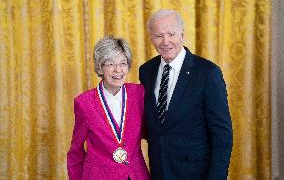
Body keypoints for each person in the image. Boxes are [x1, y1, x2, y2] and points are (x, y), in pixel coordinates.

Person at [139, 9, 233, 180]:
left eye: (171, 34)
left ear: (182, 34)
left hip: (196, 173)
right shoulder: (146, 71)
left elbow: (222, 134)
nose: (165, 41)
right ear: (151, 38)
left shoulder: (207, 73)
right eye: (158, 35)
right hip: (159, 171)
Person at [67, 36, 150, 180]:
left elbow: (151, 133)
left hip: (135, 175)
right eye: (110, 64)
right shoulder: (84, 102)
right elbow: (76, 151)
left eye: (123, 63)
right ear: (100, 67)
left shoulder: (139, 94)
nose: (118, 70)